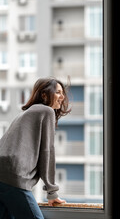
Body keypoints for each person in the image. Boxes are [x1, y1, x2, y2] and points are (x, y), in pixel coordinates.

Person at [0, 77, 71, 219]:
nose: (62, 97)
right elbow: (47, 152)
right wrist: (52, 192)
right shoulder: (46, 111)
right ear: (44, 95)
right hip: (14, 177)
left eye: (62, 93)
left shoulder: (25, 113)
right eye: (57, 92)